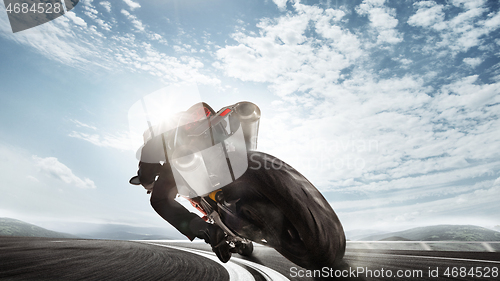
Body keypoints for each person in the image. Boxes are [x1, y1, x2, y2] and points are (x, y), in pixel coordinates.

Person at [129, 102, 232, 263]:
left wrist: (147, 183)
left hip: (187, 160)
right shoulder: (186, 123)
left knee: (159, 200)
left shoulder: (161, 135)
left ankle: (208, 231)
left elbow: (147, 169)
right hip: (223, 155)